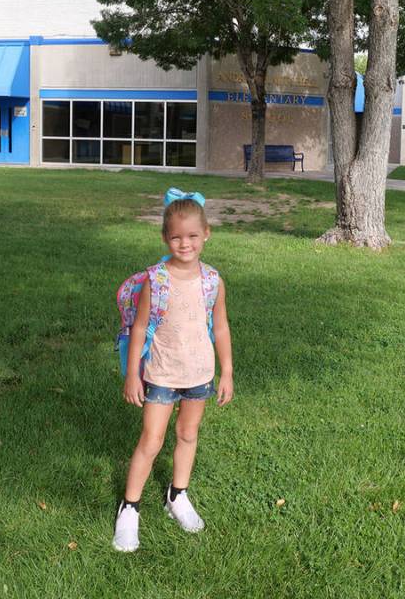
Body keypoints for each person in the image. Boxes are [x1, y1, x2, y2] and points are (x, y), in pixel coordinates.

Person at [113, 188, 234, 553]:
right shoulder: (157, 279)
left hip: (200, 374)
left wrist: (226, 371)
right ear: (166, 238)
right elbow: (139, 328)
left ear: (207, 234)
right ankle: (130, 507)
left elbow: (222, 328)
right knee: (151, 441)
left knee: (188, 434)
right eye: (177, 237)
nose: (185, 244)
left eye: (193, 236)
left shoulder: (213, 280)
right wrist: (133, 373)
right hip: (162, 374)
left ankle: (176, 495)